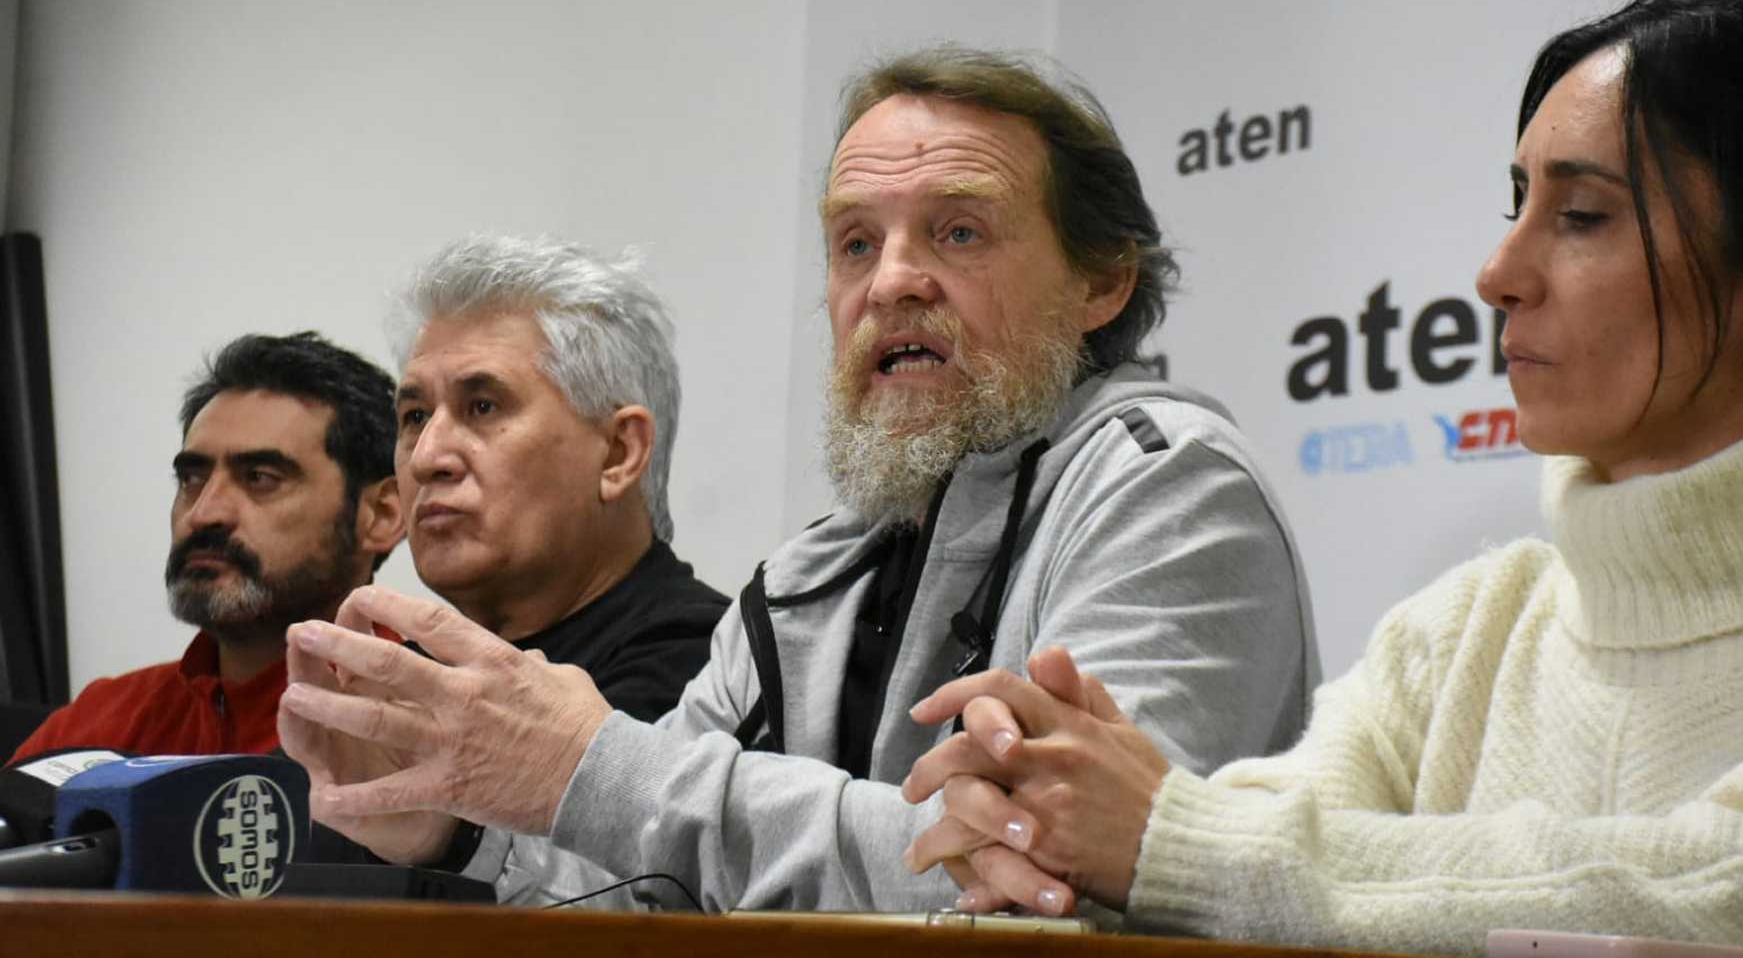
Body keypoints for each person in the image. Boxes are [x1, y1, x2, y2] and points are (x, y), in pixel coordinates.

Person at [276, 48, 1318, 911]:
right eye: (855, 243)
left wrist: (591, 768)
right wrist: (462, 829)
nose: (893, 281)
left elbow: (1041, 879)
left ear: (1102, 280)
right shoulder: (810, 574)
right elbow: (643, 887)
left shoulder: (1169, 488)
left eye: (957, 230)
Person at [901, 0, 1743, 950]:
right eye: (1516, 204)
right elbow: (1252, 838)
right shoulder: (1463, 631)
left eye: (1582, 217)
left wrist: (1161, 842)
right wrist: (1049, 817)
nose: (1498, 275)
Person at [9, 332, 403, 765]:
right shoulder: (96, 724)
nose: (204, 513)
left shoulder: (431, 729)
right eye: (192, 479)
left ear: (380, 515)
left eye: (260, 477)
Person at [387, 234, 727, 722]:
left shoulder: (717, 678)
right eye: (415, 417)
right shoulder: (402, 680)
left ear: (618, 453)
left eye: (482, 407)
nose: (426, 458)